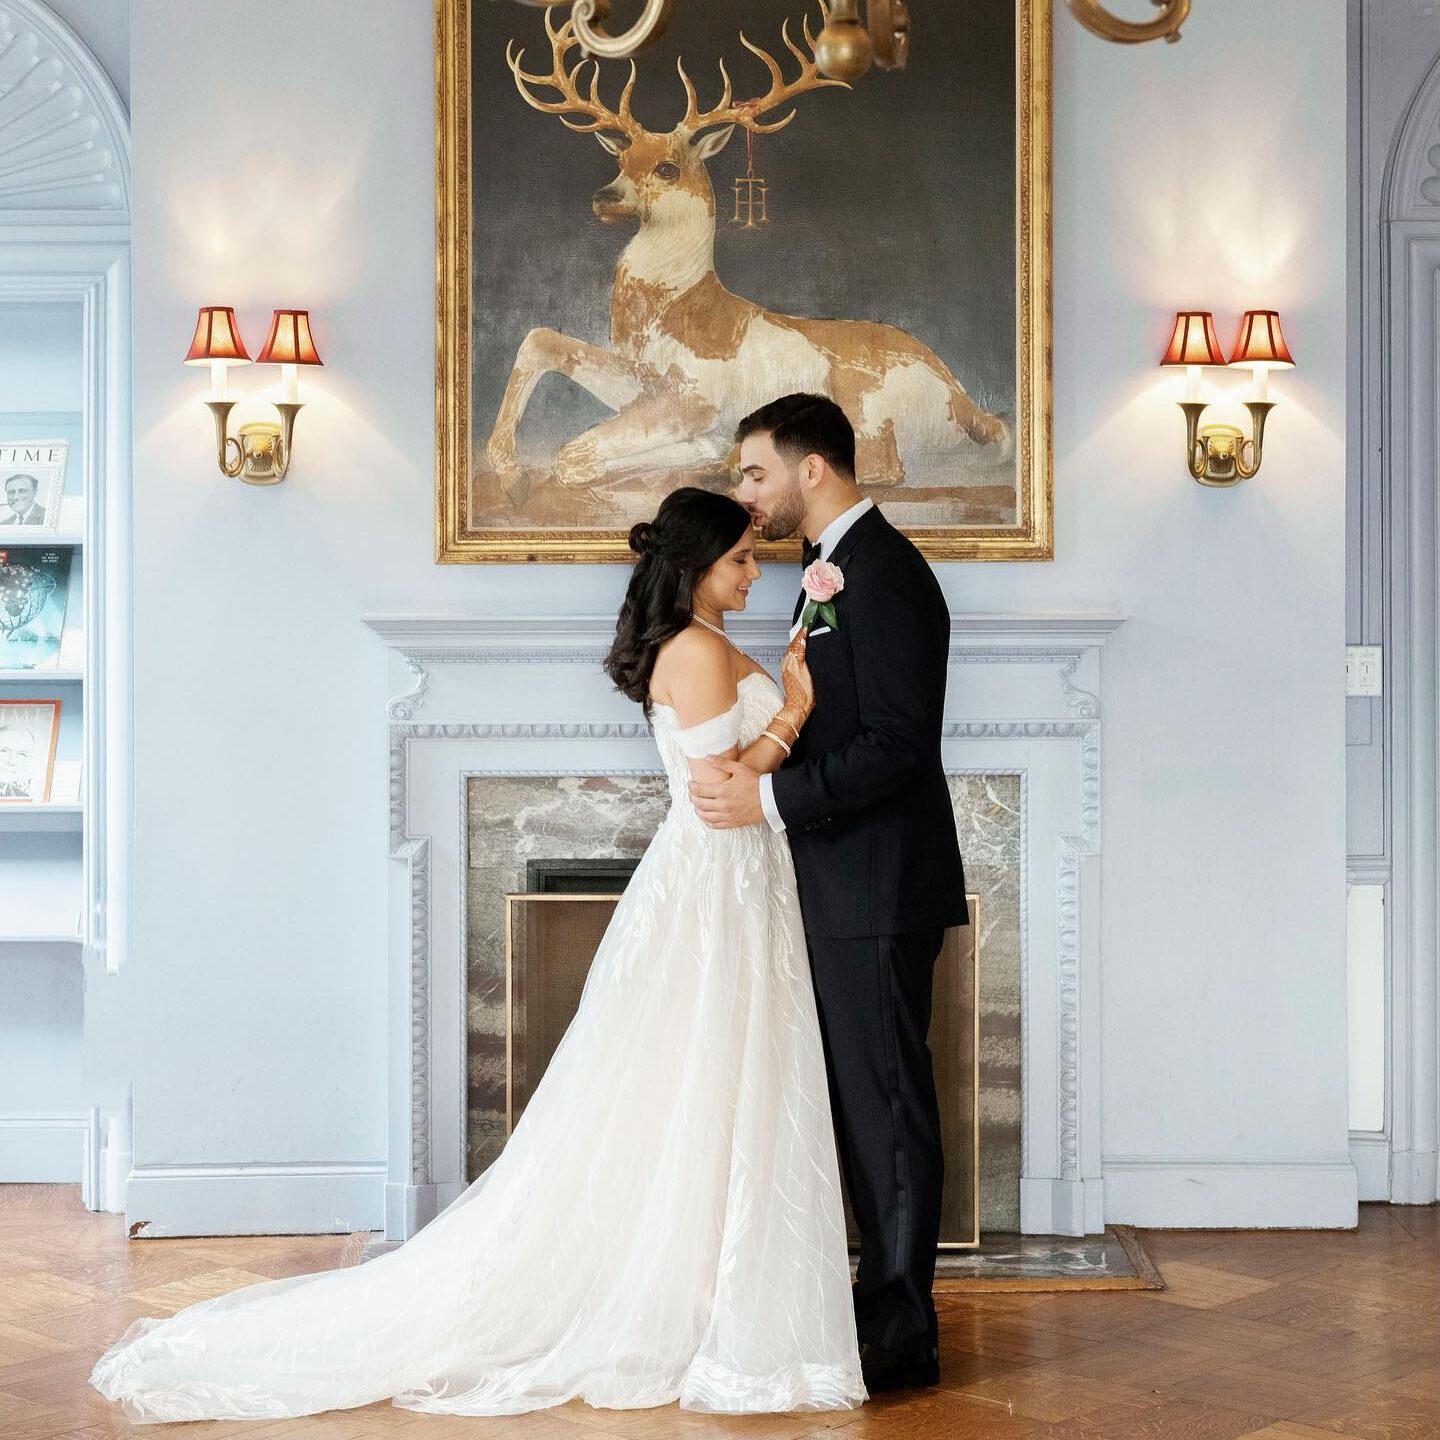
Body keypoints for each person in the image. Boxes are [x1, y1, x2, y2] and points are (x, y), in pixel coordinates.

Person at [89, 486, 866, 1423]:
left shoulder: (699, 643)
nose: (754, 573)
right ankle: (698, 1303)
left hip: (738, 884)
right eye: (741, 559)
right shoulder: (695, 650)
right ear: (698, 566)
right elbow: (721, 790)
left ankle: (708, 1290)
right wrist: (800, 706)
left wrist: (787, 692)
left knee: (713, 1083)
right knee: (704, 1074)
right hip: (716, 883)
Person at [690, 392, 968, 1393]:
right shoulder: (835, 572)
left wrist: (769, 800)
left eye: (755, 473)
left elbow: (897, 746)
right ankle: (883, 1300)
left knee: (888, 1109)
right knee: (865, 1106)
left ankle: (904, 1330)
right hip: (847, 882)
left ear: (813, 469)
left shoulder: (885, 575)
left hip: (880, 884)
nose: (746, 494)